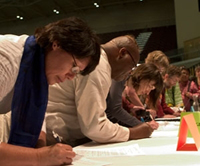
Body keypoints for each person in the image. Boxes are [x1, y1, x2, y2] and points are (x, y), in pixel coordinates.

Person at [0, 16, 101, 166]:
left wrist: (45, 151)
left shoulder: (38, 72)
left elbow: (37, 122)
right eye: (74, 67)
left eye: (77, 72)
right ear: (57, 44)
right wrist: (39, 157)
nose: (71, 76)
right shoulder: (7, 60)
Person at [46, 35, 155, 147]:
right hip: (55, 138)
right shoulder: (98, 64)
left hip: (61, 135)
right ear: (122, 53)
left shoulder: (97, 60)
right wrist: (133, 132)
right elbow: (94, 127)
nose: (130, 72)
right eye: (131, 66)